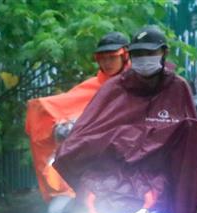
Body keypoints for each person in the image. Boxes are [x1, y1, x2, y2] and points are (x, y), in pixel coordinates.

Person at [55, 25, 197, 213]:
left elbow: (190, 142)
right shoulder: (113, 88)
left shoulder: (178, 88)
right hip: (114, 172)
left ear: (164, 53)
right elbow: (87, 131)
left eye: (149, 53)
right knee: (88, 207)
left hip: (159, 173)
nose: (144, 59)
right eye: (138, 54)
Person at [25, 31, 130, 203]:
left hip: (132, 161)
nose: (107, 63)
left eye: (112, 57)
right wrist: (49, 117)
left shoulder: (139, 85)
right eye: (102, 58)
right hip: (94, 162)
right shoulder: (90, 87)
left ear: (125, 56)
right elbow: (66, 105)